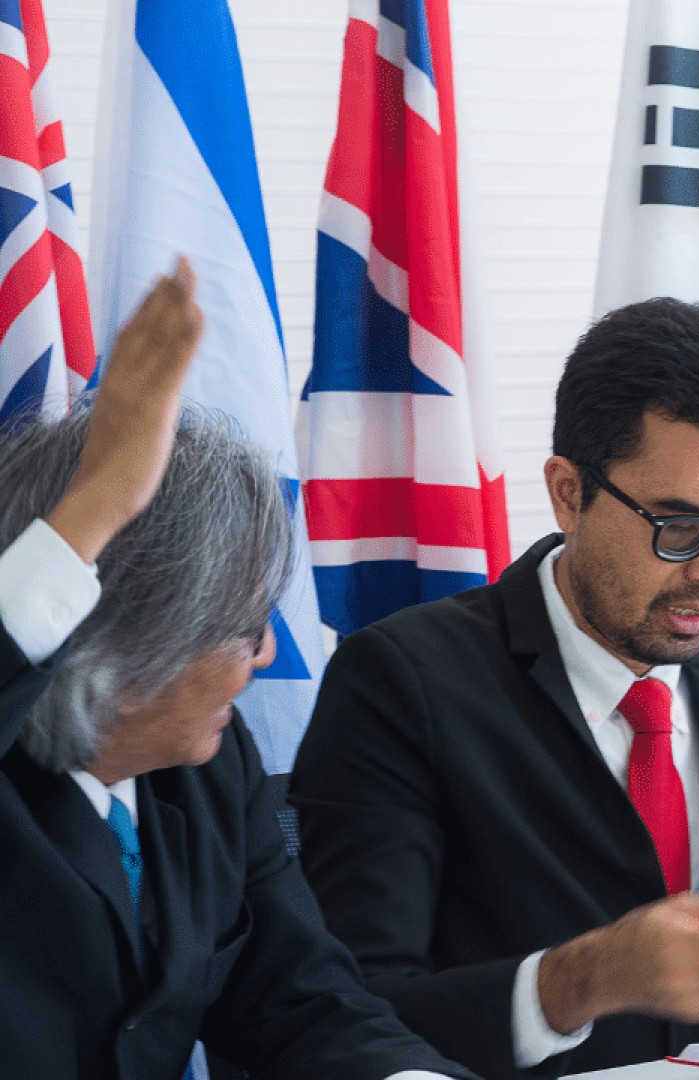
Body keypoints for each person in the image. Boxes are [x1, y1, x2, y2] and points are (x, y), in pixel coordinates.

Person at [290, 298, 699, 1078]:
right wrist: (580, 981)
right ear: (568, 493)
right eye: (678, 529)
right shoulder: (401, 682)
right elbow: (345, 1017)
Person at [0, 261, 478, 1080]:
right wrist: (98, 506)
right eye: (244, 629)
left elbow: (302, 1002)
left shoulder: (211, 771)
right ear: (129, 648)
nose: (267, 656)